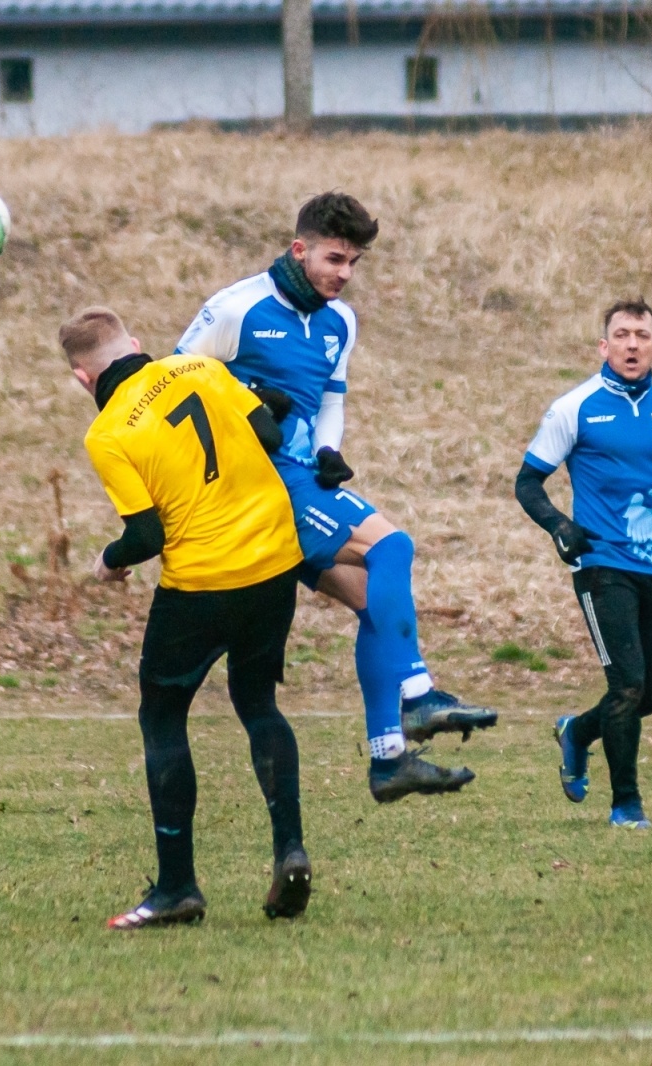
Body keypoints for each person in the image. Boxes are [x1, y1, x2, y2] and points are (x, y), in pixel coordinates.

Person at [175, 192, 494, 804]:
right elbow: (174, 385)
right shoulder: (235, 308)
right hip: (254, 486)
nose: (344, 274)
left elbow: (330, 400)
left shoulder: (339, 321)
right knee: (394, 547)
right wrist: (246, 405)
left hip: (299, 479)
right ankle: (418, 695)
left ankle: (389, 760)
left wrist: (327, 450)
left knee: (377, 603)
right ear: (300, 249)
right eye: (334, 259)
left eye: (353, 263)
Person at [59, 306, 313, 930]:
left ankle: (177, 887)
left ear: (82, 379)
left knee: (163, 716)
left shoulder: (109, 433)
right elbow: (273, 436)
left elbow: (145, 535)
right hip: (276, 558)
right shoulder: (200, 366)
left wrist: (108, 562)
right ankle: (290, 848)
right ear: (137, 345)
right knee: (257, 703)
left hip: (201, 582)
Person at [514, 299, 652, 829]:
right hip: (602, 563)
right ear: (604, 346)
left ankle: (577, 732)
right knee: (626, 685)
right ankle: (626, 805)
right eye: (621, 335)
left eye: (641, 336)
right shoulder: (574, 407)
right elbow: (527, 481)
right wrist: (560, 526)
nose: (631, 345)